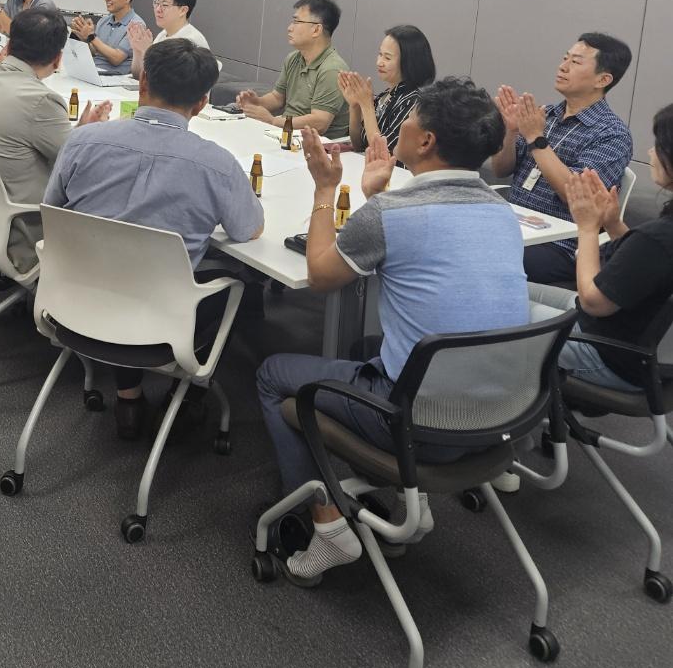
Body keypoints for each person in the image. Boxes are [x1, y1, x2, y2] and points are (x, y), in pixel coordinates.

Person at [257, 77, 529, 585]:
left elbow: (321, 275)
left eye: (410, 118)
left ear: (425, 141)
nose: (399, 124)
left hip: (419, 425)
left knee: (273, 373)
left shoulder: (391, 215)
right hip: (502, 418)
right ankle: (408, 503)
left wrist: (324, 189)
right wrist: (376, 198)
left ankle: (326, 525)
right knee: (369, 346)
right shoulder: (501, 211)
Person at [44, 38, 264, 439]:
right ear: (202, 102)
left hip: (76, 301)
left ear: (143, 83)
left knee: (121, 265)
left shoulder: (82, 141)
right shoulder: (217, 165)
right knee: (241, 283)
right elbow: (248, 229)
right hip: (157, 319)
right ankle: (189, 395)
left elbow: (52, 212)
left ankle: (128, 398)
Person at [0, 8, 111, 273]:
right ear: (58, 59)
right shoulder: (41, 100)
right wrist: (90, 135)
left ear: (10, 45)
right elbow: (79, 166)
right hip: (19, 232)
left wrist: (80, 131)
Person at [528, 104, 673, 391]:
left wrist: (588, 228)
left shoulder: (659, 236)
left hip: (608, 353)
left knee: (497, 307)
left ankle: (500, 409)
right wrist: (614, 225)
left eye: (658, 146)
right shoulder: (659, 237)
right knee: (511, 287)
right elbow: (648, 266)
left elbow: (594, 302)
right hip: (641, 348)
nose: (650, 152)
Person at [492, 33, 634, 287]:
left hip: (560, 245)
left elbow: (575, 195)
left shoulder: (611, 133)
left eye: (576, 62)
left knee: (486, 252)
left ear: (603, 79)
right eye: (565, 58)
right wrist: (511, 132)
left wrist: (536, 138)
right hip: (514, 224)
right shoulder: (545, 115)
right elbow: (501, 169)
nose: (563, 66)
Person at [236, 0, 349, 137]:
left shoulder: (332, 69)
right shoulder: (294, 58)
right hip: (286, 133)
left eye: (296, 22)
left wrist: (272, 121)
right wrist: (257, 103)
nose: (289, 28)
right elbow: (277, 98)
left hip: (318, 142)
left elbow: (319, 123)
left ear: (316, 30)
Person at [339, 24, 437, 152]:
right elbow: (359, 144)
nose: (379, 62)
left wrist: (367, 106)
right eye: (380, 54)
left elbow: (383, 152)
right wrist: (355, 106)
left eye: (387, 57)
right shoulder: (385, 96)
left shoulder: (413, 102)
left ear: (409, 62)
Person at [128, 0, 211, 79]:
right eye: (157, 3)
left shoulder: (191, 41)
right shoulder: (163, 35)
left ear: (183, 10)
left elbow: (168, 81)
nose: (158, 9)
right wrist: (137, 50)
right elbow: (138, 75)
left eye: (165, 5)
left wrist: (147, 51)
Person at [70, 0, 145, 75]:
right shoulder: (104, 21)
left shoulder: (136, 25)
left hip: (114, 77)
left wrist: (91, 37)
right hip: (95, 71)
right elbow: (95, 52)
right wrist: (85, 38)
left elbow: (116, 58)